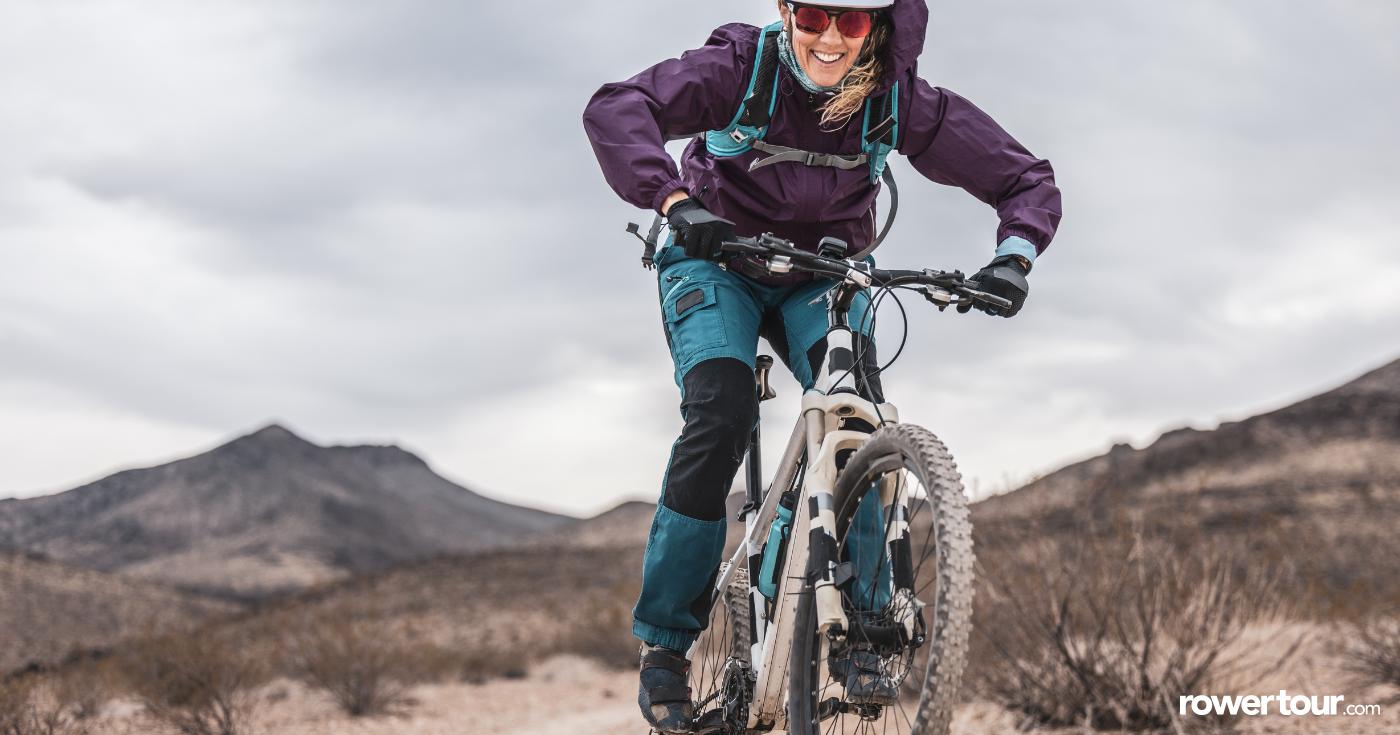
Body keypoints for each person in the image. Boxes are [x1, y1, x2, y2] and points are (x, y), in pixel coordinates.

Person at [583, 0, 1061, 730]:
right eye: (812, 16)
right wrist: (676, 200)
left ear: (879, 27)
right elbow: (620, 107)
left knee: (857, 415)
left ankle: (865, 626)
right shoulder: (741, 69)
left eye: (854, 22)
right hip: (717, 260)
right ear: (785, 11)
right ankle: (665, 649)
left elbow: (1022, 177)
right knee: (722, 409)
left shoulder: (895, 100)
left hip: (822, 276)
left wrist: (1013, 257)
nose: (830, 38)